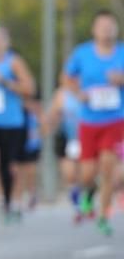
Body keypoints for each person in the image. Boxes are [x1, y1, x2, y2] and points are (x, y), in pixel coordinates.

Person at [62, 9, 124, 237]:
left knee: (108, 169)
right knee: (88, 173)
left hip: (115, 120)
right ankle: (88, 193)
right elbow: (67, 78)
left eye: (111, 26)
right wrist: (79, 94)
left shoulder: (122, 52)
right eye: (102, 26)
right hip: (89, 121)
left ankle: (104, 215)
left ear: (116, 29)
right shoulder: (82, 53)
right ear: (94, 30)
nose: (107, 30)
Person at [0, 28, 36, 229]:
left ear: (6, 42)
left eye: (0, 39)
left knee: (6, 165)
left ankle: (9, 202)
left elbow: (29, 88)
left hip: (10, 121)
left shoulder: (13, 61)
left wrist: (5, 82)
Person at [43, 84, 86, 222]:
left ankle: (87, 198)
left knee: (86, 174)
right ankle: (77, 205)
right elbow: (52, 115)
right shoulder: (62, 94)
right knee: (70, 174)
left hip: (89, 137)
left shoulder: (93, 88)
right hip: (69, 138)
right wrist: (51, 122)